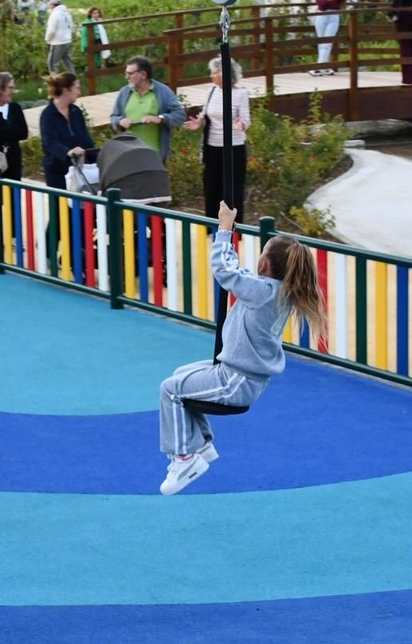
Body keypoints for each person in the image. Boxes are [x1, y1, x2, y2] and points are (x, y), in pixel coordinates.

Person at [158, 200, 324, 495]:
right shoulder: (276, 291)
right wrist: (229, 237)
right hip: (240, 375)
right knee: (183, 374)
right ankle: (203, 445)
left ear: (264, 264)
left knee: (171, 389)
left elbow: (224, 270)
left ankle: (185, 458)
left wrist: (223, 229)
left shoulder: (262, 292)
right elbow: (236, 273)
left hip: (235, 380)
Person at [185, 55, 251, 217]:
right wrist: (199, 122)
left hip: (233, 148)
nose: (211, 76)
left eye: (214, 72)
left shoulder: (240, 94)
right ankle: (212, 225)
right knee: (211, 187)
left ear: (224, 74)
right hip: (212, 147)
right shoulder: (212, 91)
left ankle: (234, 229)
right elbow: (206, 113)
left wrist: (240, 125)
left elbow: (246, 120)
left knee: (232, 190)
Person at [109, 55, 186, 162]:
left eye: (131, 74)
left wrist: (160, 118)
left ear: (143, 74)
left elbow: (179, 115)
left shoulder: (163, 91)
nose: (127, 77)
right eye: (126, 73)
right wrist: (120, 121)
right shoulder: (124, 92)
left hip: (154, 156)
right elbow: (114, 117)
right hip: (128, 154)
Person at [38, 70, 96, 190]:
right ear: (66, 90)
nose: (79, 92)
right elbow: (49, 142)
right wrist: (67, 152)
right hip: (57, 171)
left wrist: (96, 158)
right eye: (77, 88)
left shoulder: (76, 112)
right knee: (61, 207)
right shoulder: (47, 115)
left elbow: (85, 138)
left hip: (79, 169)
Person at [312, 0, 347, 65]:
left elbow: (342, 1)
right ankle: (324, 65)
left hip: (333, 15)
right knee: (321, 42)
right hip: (322, 16)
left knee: (328, 42)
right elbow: (321, 3)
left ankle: (320, 66)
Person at [44, 0, 74, 73]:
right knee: (68, 63)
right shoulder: (67, 13)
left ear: (53, 5)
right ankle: (74, 81)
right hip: (67, 40)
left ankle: (55, 82)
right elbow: (71, 26)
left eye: (50, 5)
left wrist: (47, 39)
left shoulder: (54, 14)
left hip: (57, 42)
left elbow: (51, 30)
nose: (50, 7)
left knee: (52, 64)